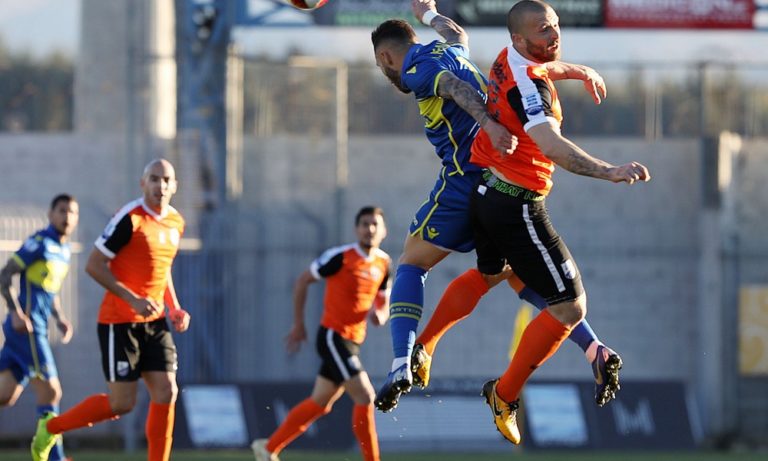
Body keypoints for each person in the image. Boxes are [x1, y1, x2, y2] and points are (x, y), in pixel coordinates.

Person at [371, 0, 622, 413]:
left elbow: (456, 88)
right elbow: (457, 33)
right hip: (501, 178)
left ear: (385, 58)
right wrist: (429, 15)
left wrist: (488, 124)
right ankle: (593, 347)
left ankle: (403, 360)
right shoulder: (449, 47)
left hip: (467, 178)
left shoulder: (417, 68)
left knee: (412, 262)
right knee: (514, 275)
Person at [469, 0, 650, 444]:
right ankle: (503, 394)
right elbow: (552, 145)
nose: (553, 35)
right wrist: (609, 171)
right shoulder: (530, 88)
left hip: (488, 190)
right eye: (542, 30)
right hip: (517, 207)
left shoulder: (509, 57)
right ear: (519, 38)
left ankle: (592, 348)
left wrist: (579, 70)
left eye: (554, 26)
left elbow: (544, 65)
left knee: (508, 276)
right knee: (570, 306)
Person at [30, 159, 191, 461]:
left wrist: (174, 307)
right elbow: (94, 265)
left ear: (175, 186)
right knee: (121, 404)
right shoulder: (129, 219)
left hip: (155, 321)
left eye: (167, 180)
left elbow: (162, 269)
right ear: (143, 183)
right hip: (120, 322)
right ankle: (51, 427)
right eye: (154, 179)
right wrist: (133, 299)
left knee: (166, 391)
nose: (161, 185)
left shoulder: (175, 222)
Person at [251, 206, 391, 461]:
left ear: (384, 231)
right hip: (332, 336)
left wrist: (380, 314)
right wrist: (298, 324)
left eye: (375, 224)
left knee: (320, 402)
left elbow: (382, 302)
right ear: (356, 229)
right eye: (364, 224)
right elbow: (303, 281)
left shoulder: (384, 263)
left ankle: (268, 448)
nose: (369, 229)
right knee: (365, 395)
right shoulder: (341, 257)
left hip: (354, 340)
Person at [0, 194, 78, 461]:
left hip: (38, 329)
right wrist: (16, 312)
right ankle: (54, 457)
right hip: (28, 330)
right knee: (51, 391)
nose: (67, 216)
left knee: (5, 395)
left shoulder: (64, 250)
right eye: (62, 210)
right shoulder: (39, 242)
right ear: (50, 214)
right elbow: (5, 275)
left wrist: (60, 317)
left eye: (72, 212)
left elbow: (49, 290)